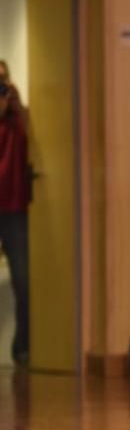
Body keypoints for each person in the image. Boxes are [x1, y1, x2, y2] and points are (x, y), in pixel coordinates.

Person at [0, 61, 30, 366]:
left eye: (3, 81)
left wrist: (17, 106)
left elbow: (33, 141)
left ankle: (23, 348)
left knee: (24, 281)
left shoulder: (18, 119)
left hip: (13, 210)